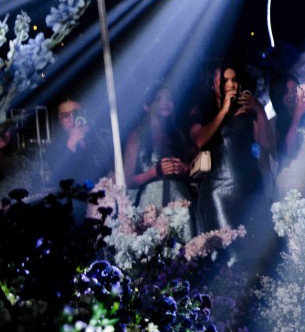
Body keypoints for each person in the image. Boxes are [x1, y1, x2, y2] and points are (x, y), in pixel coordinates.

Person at [189, 62, 274, 253]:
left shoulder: (245, 110)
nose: (230, 84)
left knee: (257, 250)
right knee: (228, 253)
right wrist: (223, 111)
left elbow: (267, 143)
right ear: (213, 84)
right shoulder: (202, 112)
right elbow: (200, 140)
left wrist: (259, 110)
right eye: (224, 80)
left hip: (250, 186)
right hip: (220, 192)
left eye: (234, 80)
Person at [123, 81, 193, 219]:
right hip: (151, 204)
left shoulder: (178, 136)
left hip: (179, 202)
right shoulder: (137, 136)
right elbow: (127, 181)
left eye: (169, 98)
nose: (165, 103)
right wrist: (154, 172)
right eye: (158, 99)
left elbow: (187, 173)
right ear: (146, 106)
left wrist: (184, 169)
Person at [47, 93, 112, 186]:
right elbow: (58, 182)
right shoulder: (54, 149)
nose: (72, 119)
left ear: (84, 114)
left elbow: (107, 172)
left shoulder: (99, 138)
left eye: (76, 113)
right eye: (66, 115)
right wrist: (71, 145)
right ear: (60, 120)